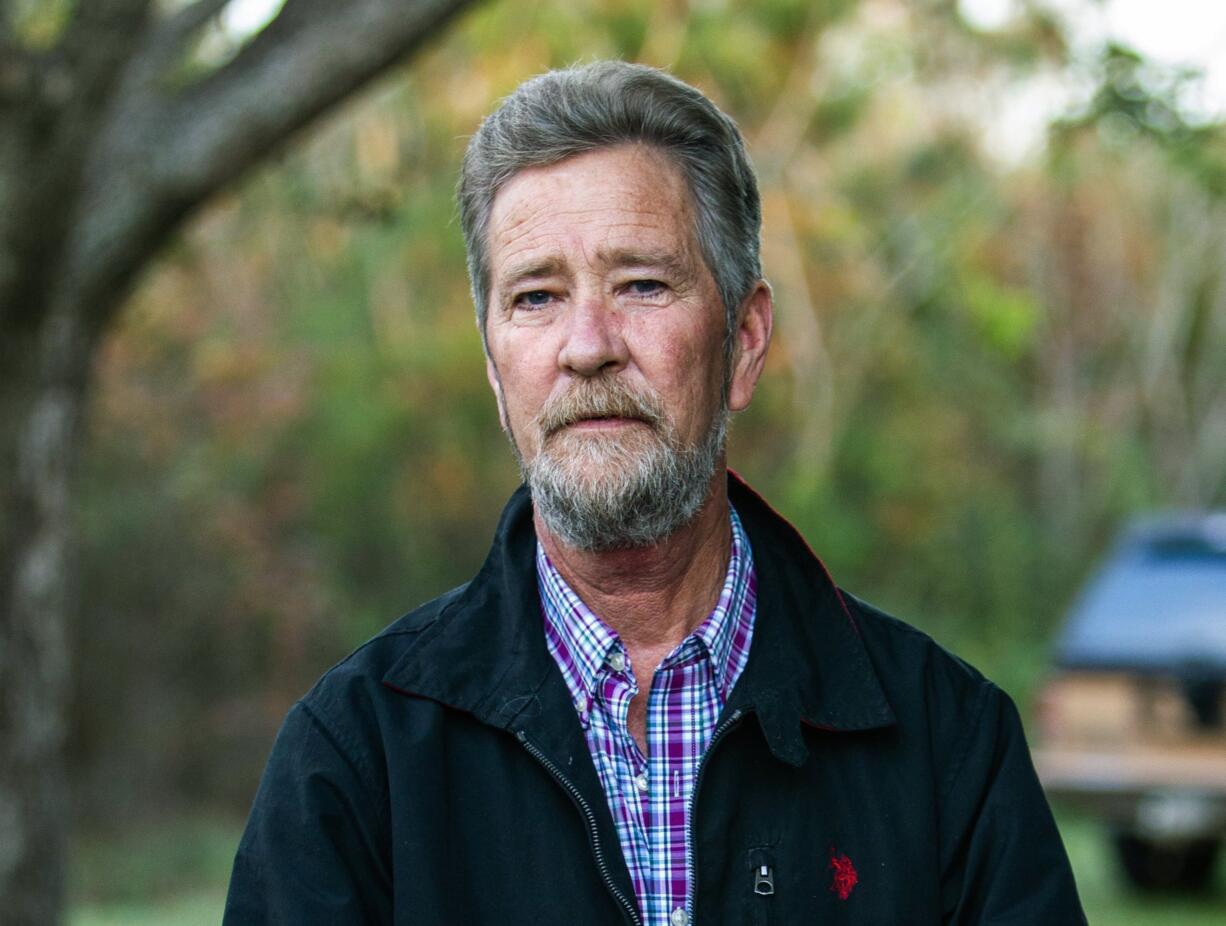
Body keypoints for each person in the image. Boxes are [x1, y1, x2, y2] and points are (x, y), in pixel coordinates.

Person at [223, 61, 1086, 925]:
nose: (587, 346)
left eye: (641, 284)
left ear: (743, 342)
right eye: (536, 297)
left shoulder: (948, 746)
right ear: (495, 370)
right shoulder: (354, 761)